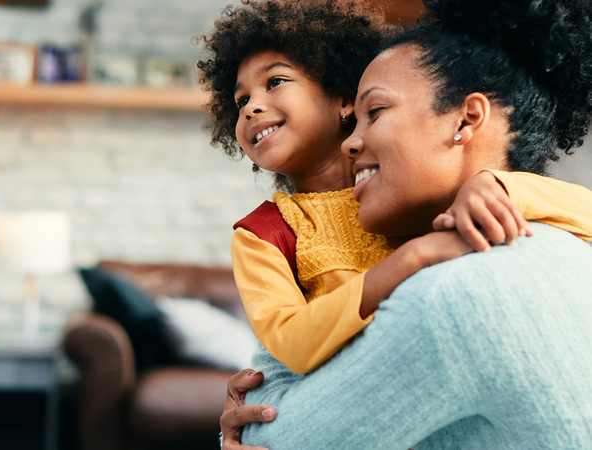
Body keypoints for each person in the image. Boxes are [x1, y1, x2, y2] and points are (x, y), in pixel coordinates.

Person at [219, 0, 592, 448]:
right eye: (241, 100)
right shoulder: (539, 247)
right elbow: (287, 347)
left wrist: (498, 186)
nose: (353, 143)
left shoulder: (451, 286)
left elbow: (276, 436)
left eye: (372, 113)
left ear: (468, 118)